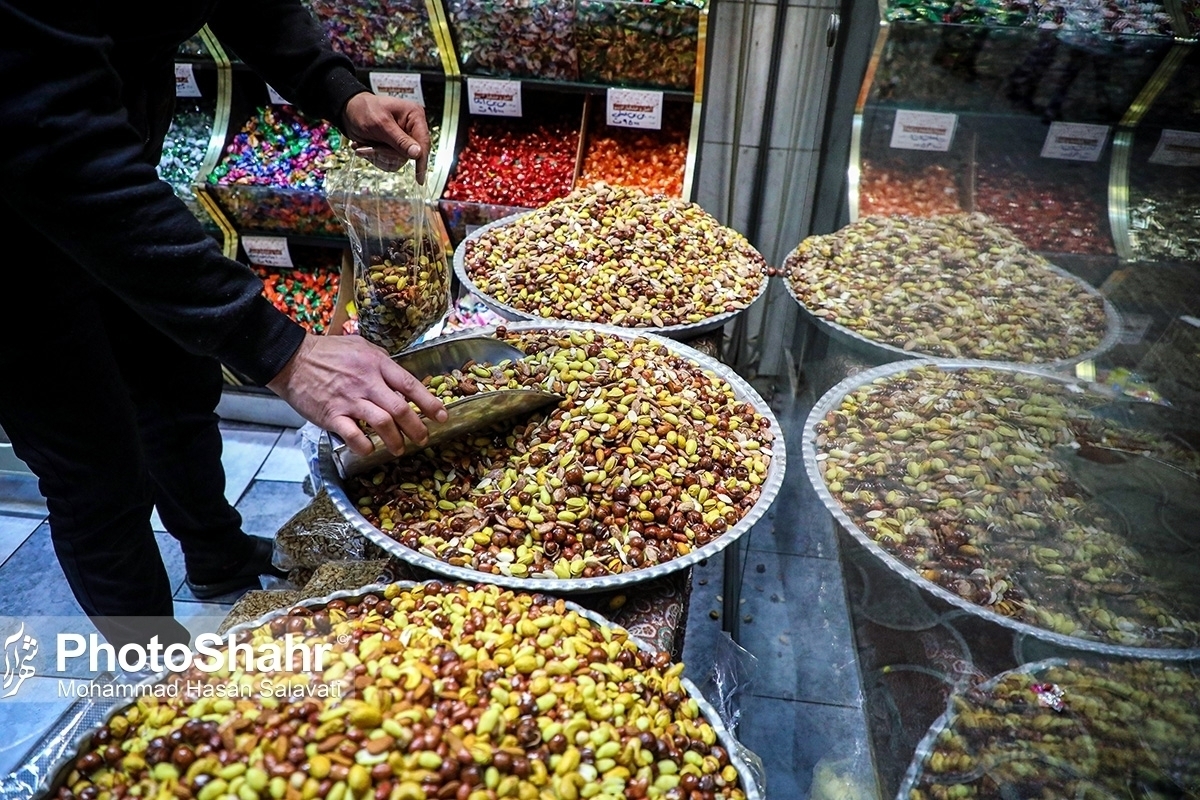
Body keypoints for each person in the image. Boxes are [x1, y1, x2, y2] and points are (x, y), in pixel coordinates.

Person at [0, 1, 449, 650]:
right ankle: (154, 682)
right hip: (16, 217)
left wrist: (338, 90)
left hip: (114, 166)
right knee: (97, 474)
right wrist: (282, 351)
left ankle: (219, 558)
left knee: (177, 384)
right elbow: (46, 135)